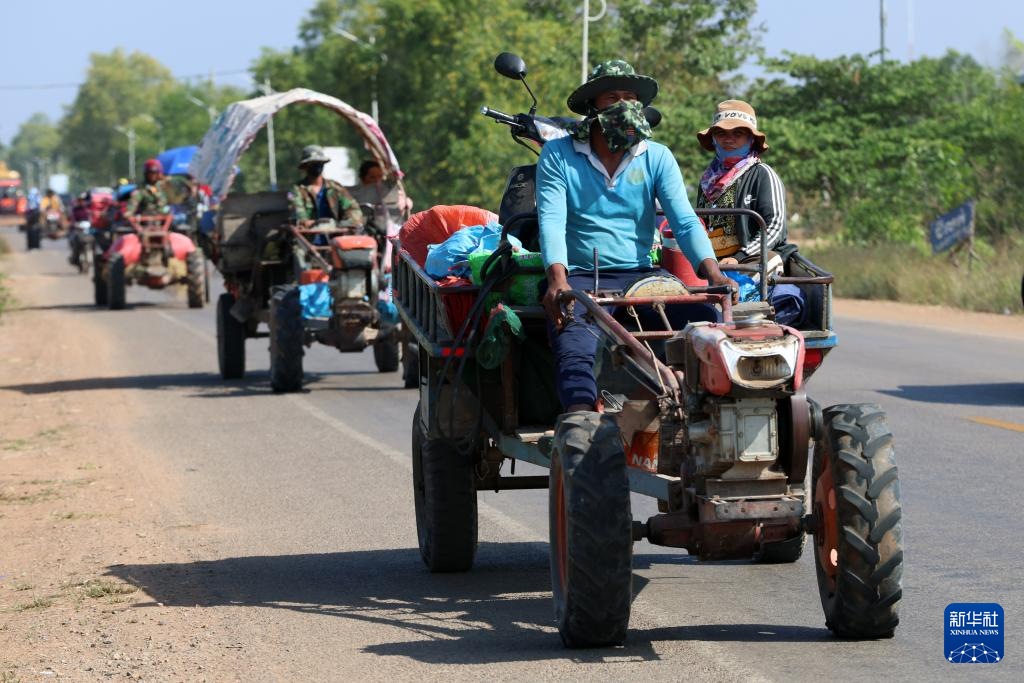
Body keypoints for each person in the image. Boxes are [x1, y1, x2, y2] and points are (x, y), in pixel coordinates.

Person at [536, 60, 736, 413]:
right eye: (612, 97)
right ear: (592, 108)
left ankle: (698, 417)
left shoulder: (656, 156)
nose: (623, 105)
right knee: (575, 349)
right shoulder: (559, 155)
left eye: (630, 98)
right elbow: (551, 220)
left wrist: (714, 274)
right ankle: (581, 427)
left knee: (705, 330)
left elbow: (685, 221)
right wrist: (557, 280)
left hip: (643, 276)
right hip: (582, 278)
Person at [694, 100, 804, 324]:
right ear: (713, 138)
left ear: (751, 138)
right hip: (713, 262)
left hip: (751, 260)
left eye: (738, 133)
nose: (729, 138)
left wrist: (738, 258)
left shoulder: (763, 174)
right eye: (722, 133)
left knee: (766, 264)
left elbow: (774, 227)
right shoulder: (707, 181)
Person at [288, 145, 363, 229]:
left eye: (320, 162)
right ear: (305, 166)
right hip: (308, 238)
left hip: (335, 235)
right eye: (313, 163)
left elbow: (353, 208)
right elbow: (298, 214)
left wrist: (344, 223)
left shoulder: (335, 187)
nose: (317, 166)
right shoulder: (297, 189)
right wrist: (308, 223)